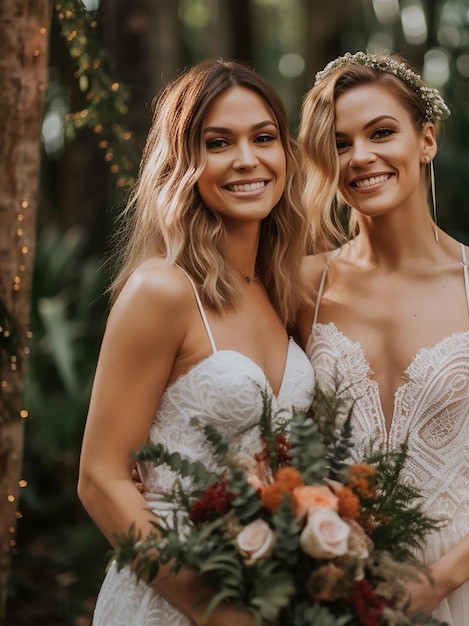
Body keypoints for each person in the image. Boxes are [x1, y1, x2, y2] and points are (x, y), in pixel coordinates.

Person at [296, 51, 469, 625]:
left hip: (468, 575)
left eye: (381, 133)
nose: (361, 156)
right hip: (334, 571)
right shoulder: (303, 286)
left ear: (426, 140)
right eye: (341, 143)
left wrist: (440, 578)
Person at [78, 58, 315, 626]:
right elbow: (101, 479)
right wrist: (220, 615)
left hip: (275, 595)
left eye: (264, 138)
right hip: (173, 598)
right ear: (184, 162)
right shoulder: (161, 290)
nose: (247, 160)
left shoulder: (285, 290)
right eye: (218, 142)